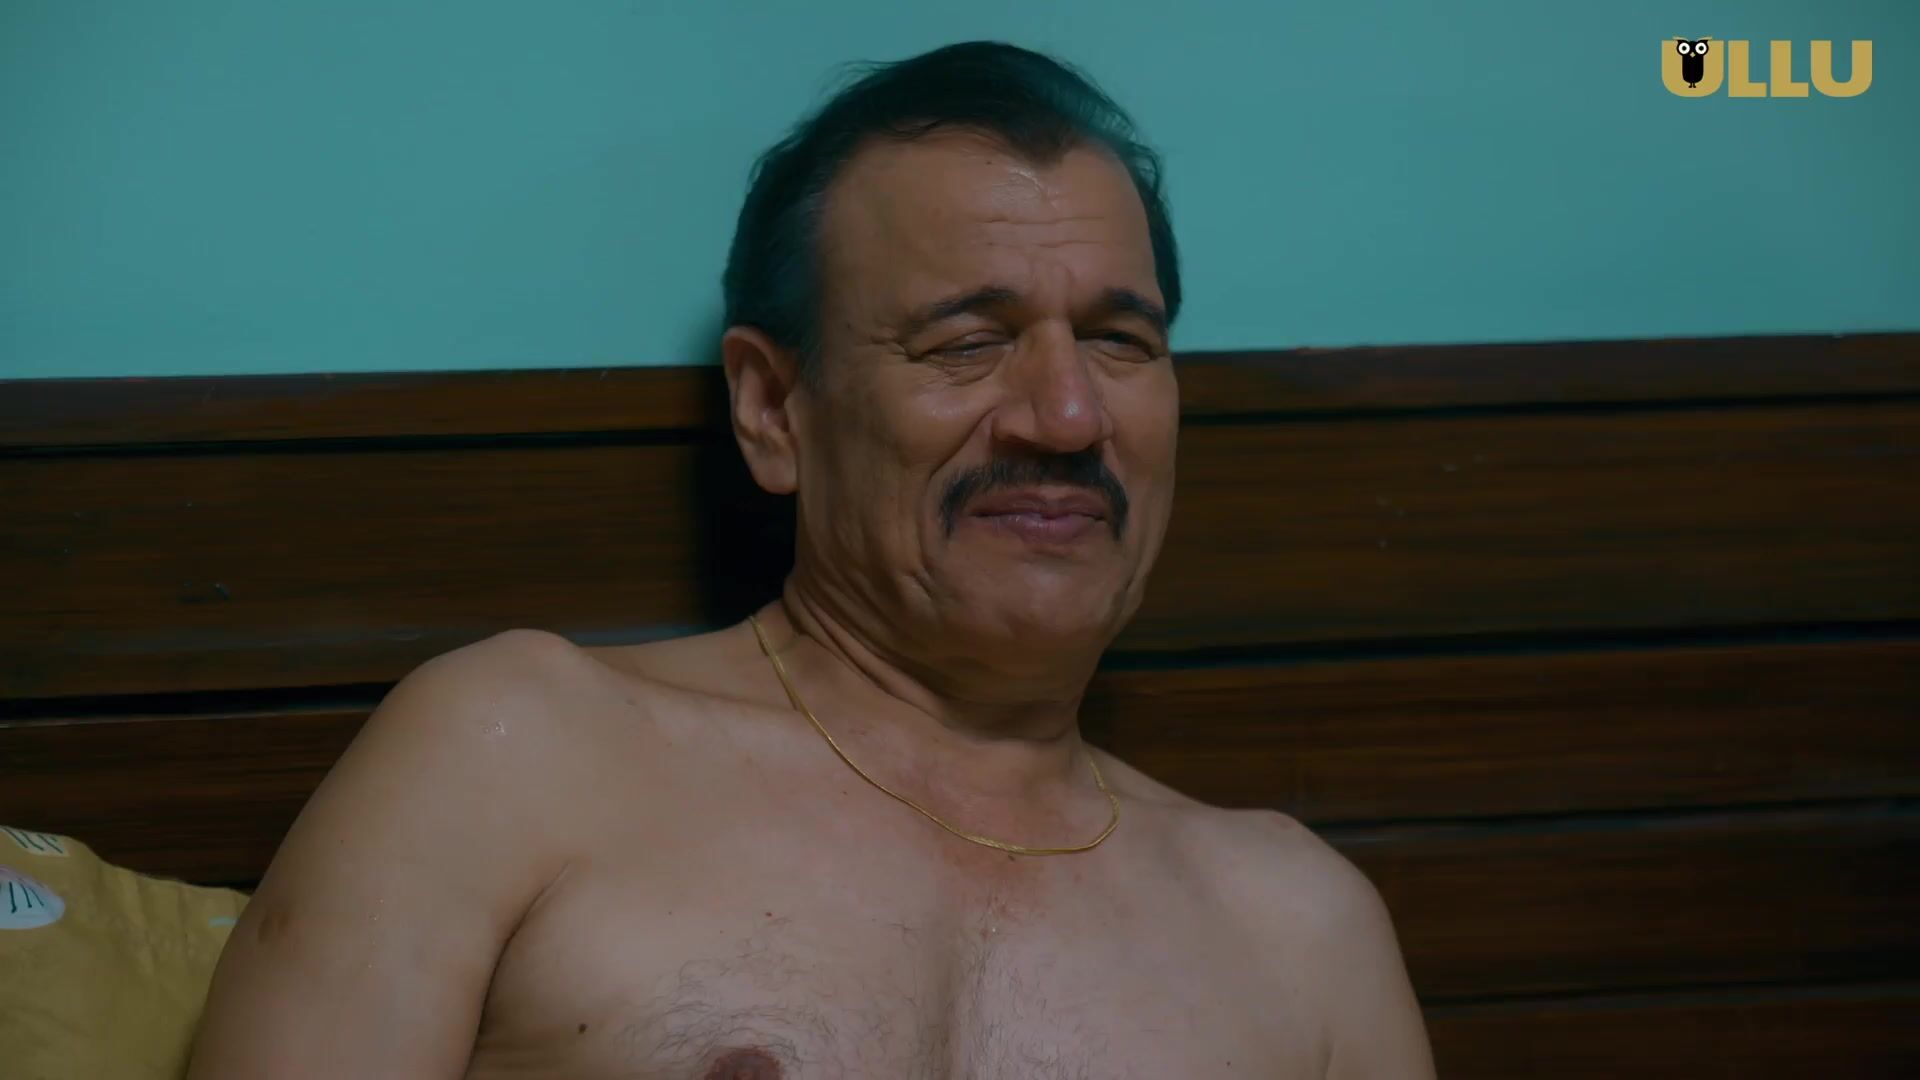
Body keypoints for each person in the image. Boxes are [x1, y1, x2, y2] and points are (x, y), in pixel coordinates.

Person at [188, 40, 1434, 1079]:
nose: (1065, 417)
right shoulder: (513, 756)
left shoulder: (1300, 930)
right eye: (966, 342)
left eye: (1120, 340)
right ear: (774, 410)